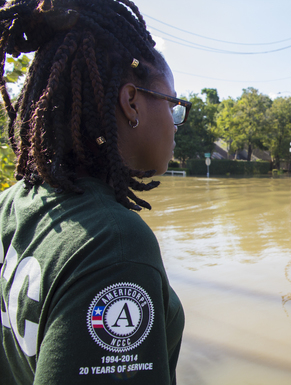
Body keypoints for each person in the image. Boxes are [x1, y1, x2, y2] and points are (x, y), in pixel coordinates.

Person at [0, 0, 189, 383]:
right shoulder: (114, 246)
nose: (174, 123)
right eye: (173, 105)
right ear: (132, 102)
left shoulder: (13, 201)